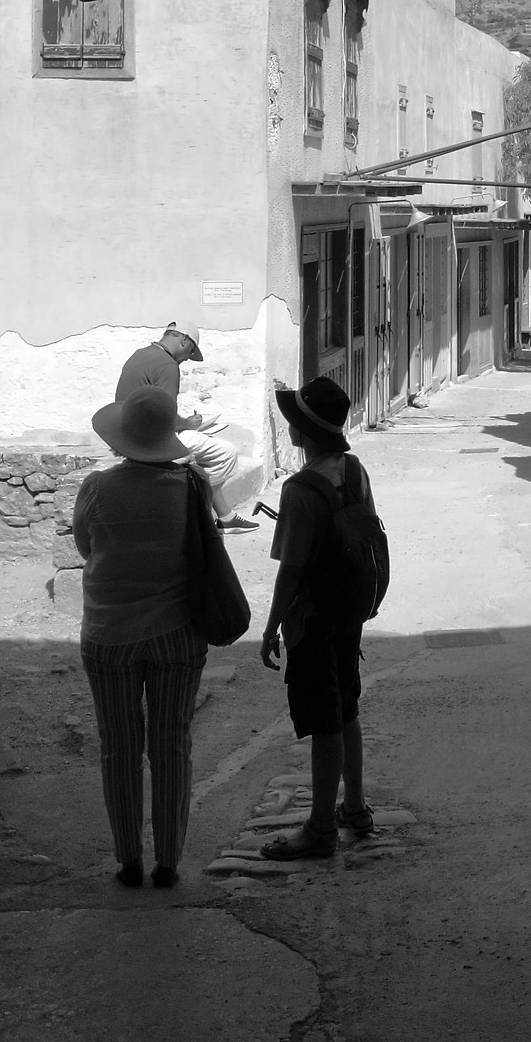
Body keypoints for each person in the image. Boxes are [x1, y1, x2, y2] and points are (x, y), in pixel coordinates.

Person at [71, 386, 209, 888]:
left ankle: (128, 858)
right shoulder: (192, 486)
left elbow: (87, 546)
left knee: (119, 745)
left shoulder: (97, 487)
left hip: (109, 633)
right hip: (177, 633)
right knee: (172, 743)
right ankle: (168, 860)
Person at [259, 378, 376, 860]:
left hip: (313, 618)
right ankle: (355, 806)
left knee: (324, 720)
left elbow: (292, 568)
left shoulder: (300, 490)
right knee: (346, 706)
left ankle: (321, 828)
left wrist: (270, 629)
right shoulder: (353, 469)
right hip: (350, 609)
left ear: (303, 432)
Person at [116, 324, 252, 527]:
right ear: (184, 341)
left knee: (201, 450)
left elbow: (153, 407)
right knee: (226, 453)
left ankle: (225, 516)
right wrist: (188, 423)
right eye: (190, 351)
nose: (187, 358)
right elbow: (164, 416)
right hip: (150, 439)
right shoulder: (167, 365)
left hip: (128, 432)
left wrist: (185, 424)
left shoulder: (140, 354)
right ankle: (202, 519)